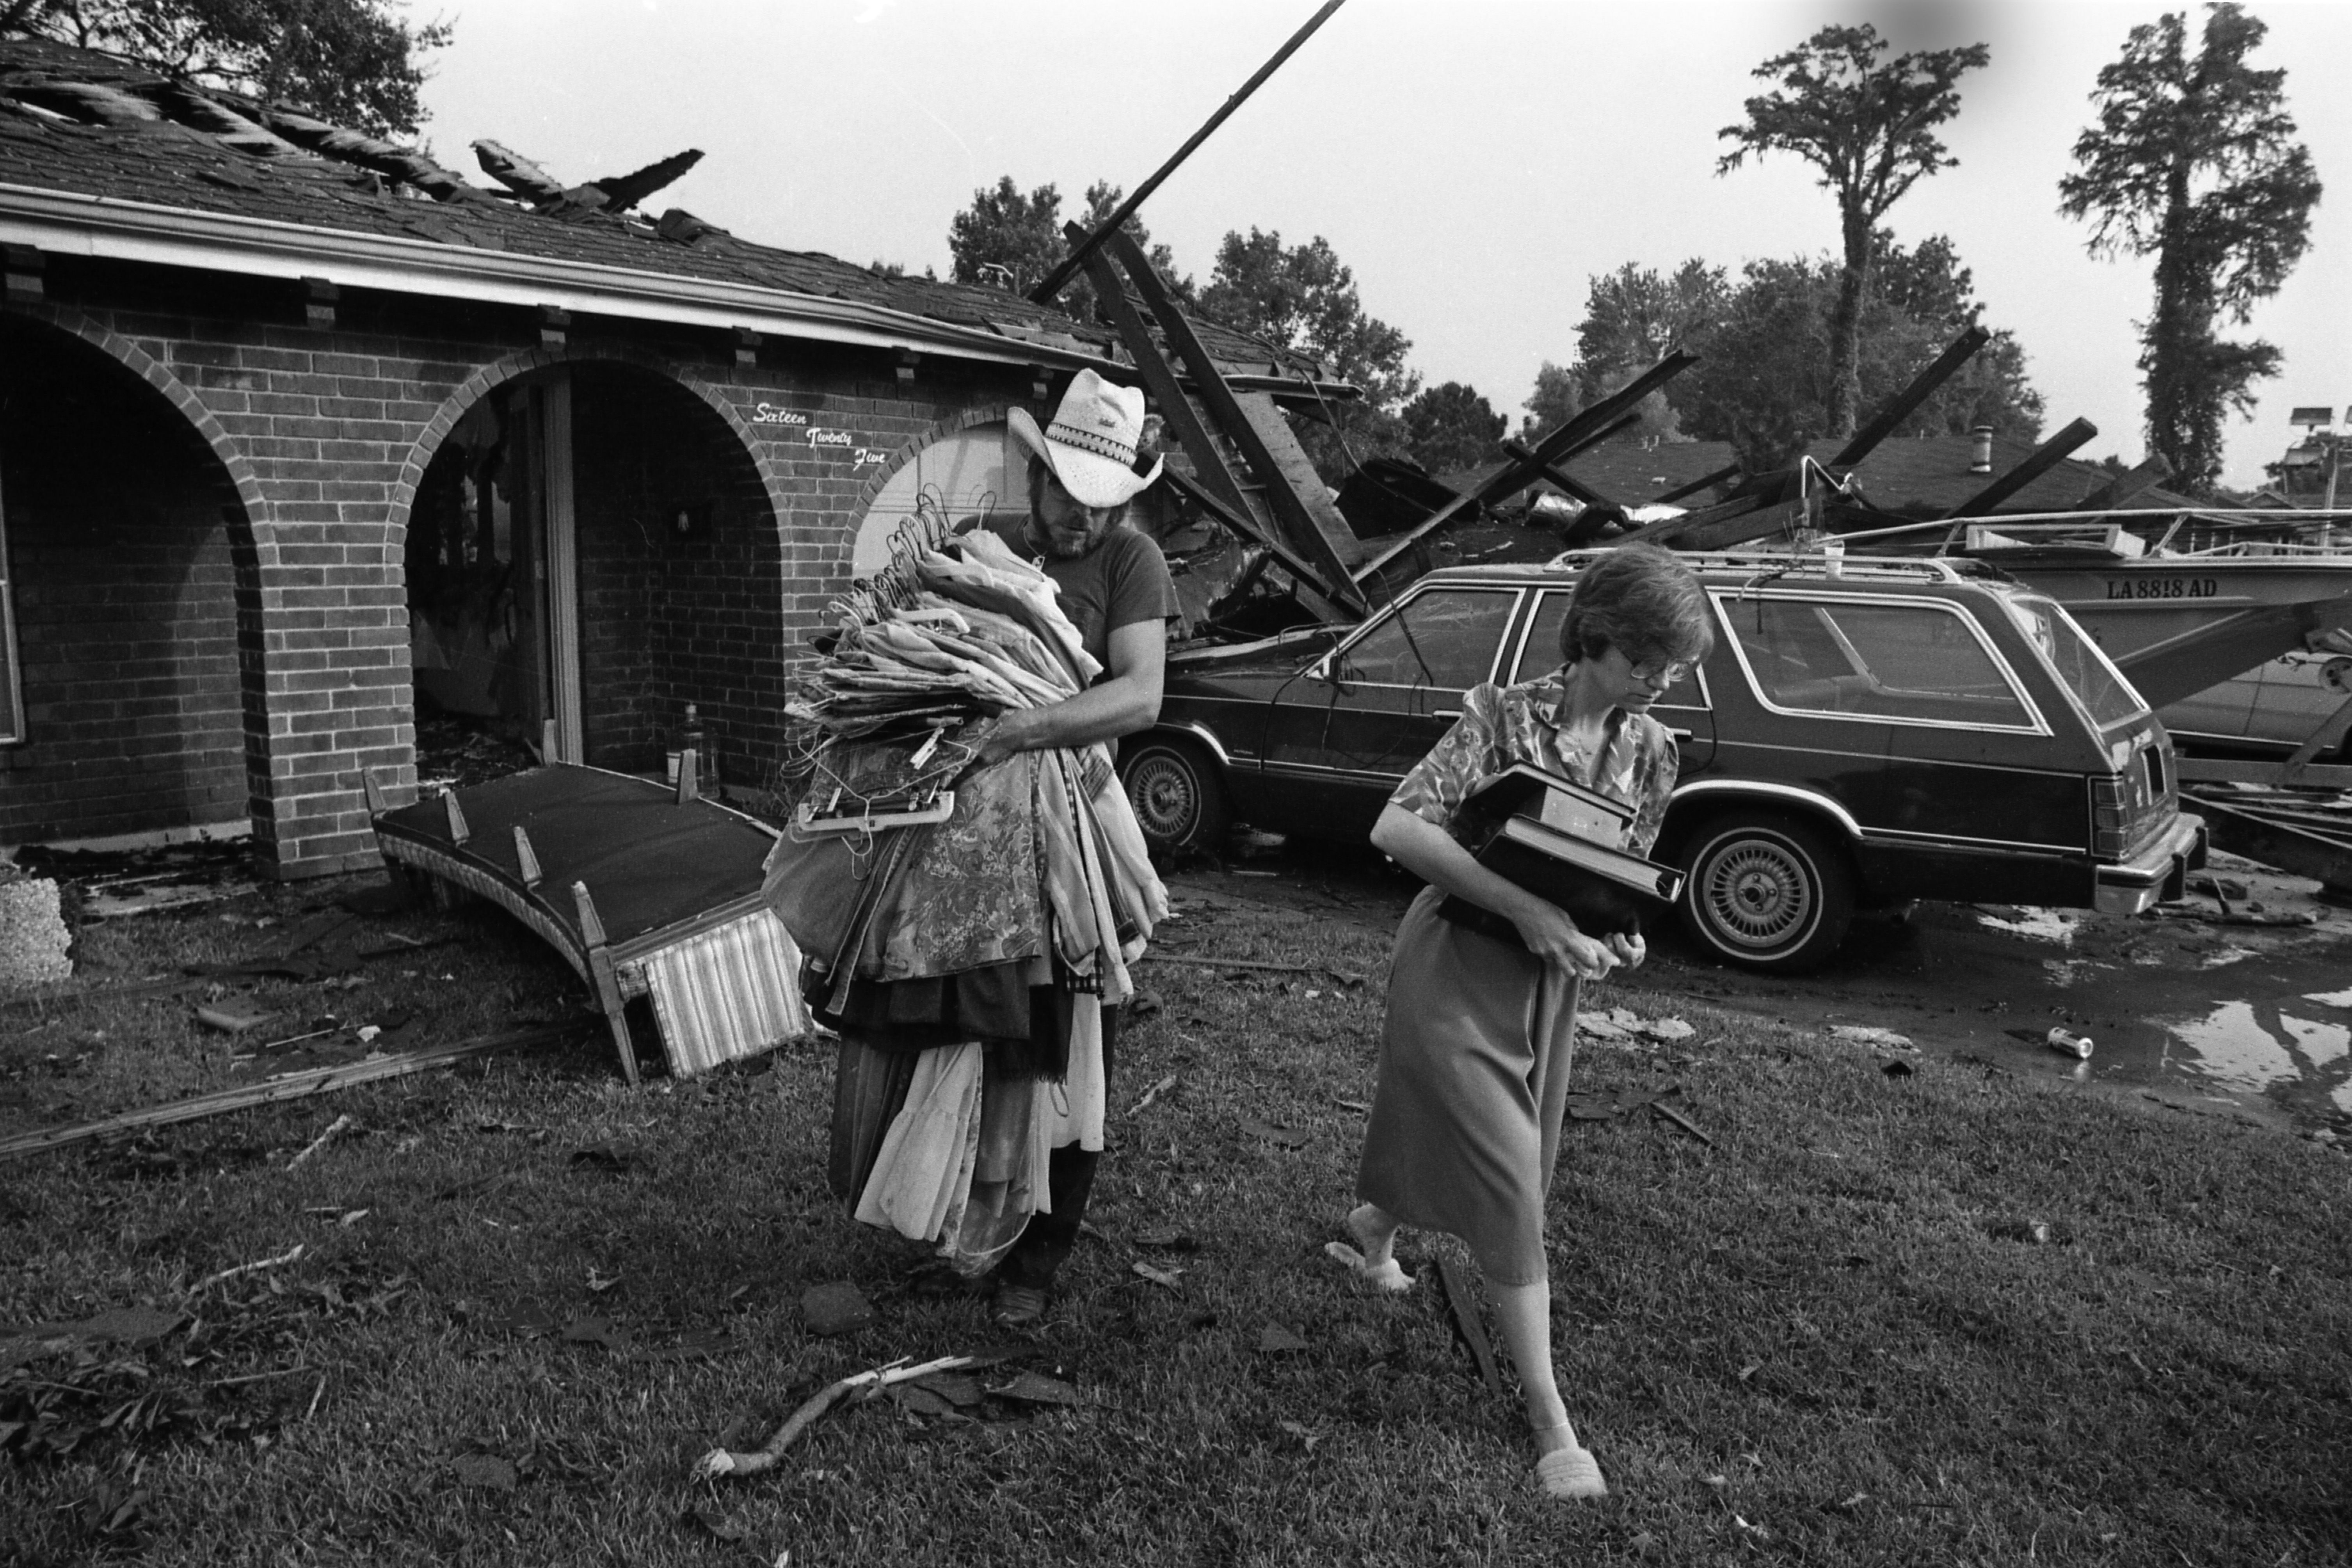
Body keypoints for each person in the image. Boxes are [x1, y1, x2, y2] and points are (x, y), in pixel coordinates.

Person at [1335, 543, 1712, 1500]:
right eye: (1645, 661)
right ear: (1593, 639)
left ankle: (1372, 1225)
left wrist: (1616, 934)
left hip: (1545, 982)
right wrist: (1529, 912)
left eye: (1672, 667)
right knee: (1510, 1184)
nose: (1659, 681)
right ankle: (1549, 1415)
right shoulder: (1498, 715)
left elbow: (1615, 880)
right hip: (1453, 965)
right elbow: (1398, 827)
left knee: (1510, 1158)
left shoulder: (1651, 750)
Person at [965, 368, 1180, 1327]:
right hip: (978, 827)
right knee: (978, 1027)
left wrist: (1026, 727)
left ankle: (1039, 1257)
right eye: (1067, 497)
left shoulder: (1133, 564)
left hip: (1079, 826)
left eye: (1106, 506)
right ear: (1036, 473)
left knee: (1070, 1040)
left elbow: (1140, 696)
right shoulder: (985, 548)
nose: (1081, 522)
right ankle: (974, 1219)